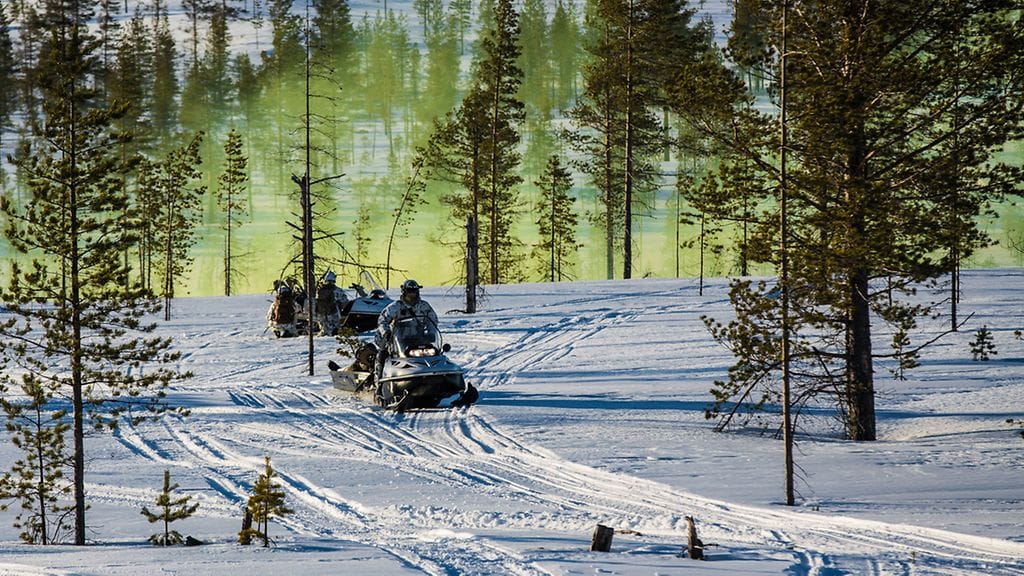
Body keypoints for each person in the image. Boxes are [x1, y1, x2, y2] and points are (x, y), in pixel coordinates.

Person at [374, 279, 438, 382]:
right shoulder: (394, 307)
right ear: (404, 292)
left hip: (417, 338)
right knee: (383, 356)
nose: (412, 294)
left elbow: (433, 320)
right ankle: (379, 382)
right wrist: (386, 333)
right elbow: (382, 321)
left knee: (433, 353)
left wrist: (431, 333)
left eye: (415, 291)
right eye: (409, 291)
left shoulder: (424, 306)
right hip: (396, 340)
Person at [315, 271, 348, 336]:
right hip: (333, 313)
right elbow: (345, 301)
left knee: (324, 329)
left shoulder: (319, 290)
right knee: (335, 330)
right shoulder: (337, 290)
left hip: (321, 314)